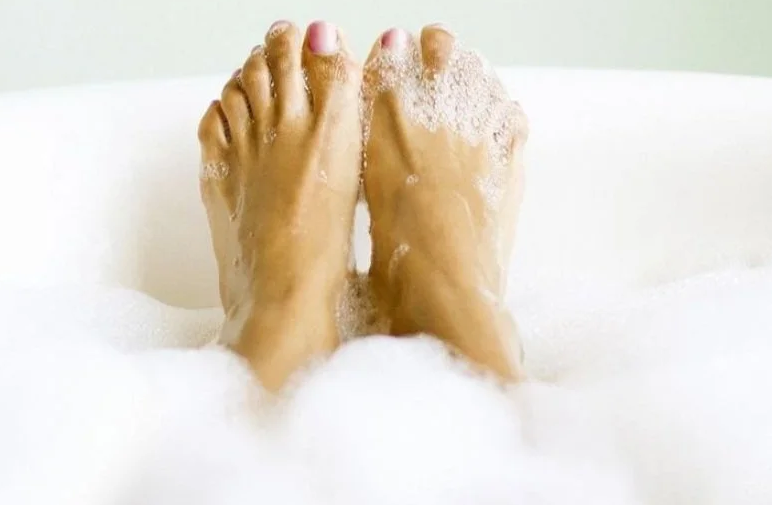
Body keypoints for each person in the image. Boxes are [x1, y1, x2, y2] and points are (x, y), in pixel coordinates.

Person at [197, 20, 529, 391]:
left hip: (258, 426)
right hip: (484, 424)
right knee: (473, 347)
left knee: (270, 352)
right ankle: (453, 297)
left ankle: (281, 304)